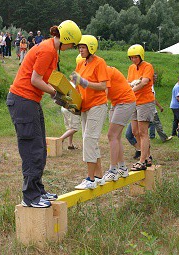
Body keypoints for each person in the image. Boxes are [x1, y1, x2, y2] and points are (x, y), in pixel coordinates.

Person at [6, 20, 81, 208]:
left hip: (30, 101)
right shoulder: (47, 50)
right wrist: (55, 94)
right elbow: (35, 80)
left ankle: (38, 190)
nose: (72, 48)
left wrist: (69, 94)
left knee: (40, 147)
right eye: (73, 44)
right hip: (23, 100)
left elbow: (53, 78)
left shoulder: (52, 51)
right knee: (32, 149)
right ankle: (30, 196)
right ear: (66, 39)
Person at [70, 35, 109, 190]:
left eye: (83, 47)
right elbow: (76, 82)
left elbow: (103, 86)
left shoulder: (100, 62)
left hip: (97, 105)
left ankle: (90, 179)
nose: (80, 49)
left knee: (89, 140)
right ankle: (99, 176)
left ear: (91, 47)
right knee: (90, 140)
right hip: (85, 106)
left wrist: (85, 83)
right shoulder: (81, 63)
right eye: (79, 47)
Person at [102, 65, 136, 181]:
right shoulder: (92, 71)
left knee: (112, 135)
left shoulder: (104, 71)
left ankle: (113, 170)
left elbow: (103, 94)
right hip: (116, 102)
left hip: (125, 101)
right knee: (116, 137)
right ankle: (122, 168)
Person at [127, 44, 155, 171]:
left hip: (145, 101)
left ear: (141, 56)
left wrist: (132, 90)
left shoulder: (147, 66)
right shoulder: (131, 68)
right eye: (131, 57)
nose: (133, 60)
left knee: (143, 132)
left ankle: (142, 161)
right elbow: (128, 82)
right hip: (134, 101)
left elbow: (144, 82)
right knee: (134, 131)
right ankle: (147, 157)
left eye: (135, 57)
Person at [59, 54, 83, 150]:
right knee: (74, 128)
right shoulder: (80, 80)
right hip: (71, 108)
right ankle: (60, 139)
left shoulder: (72, 78)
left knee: (70, 127)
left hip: (64, 107)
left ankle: (70, 144)